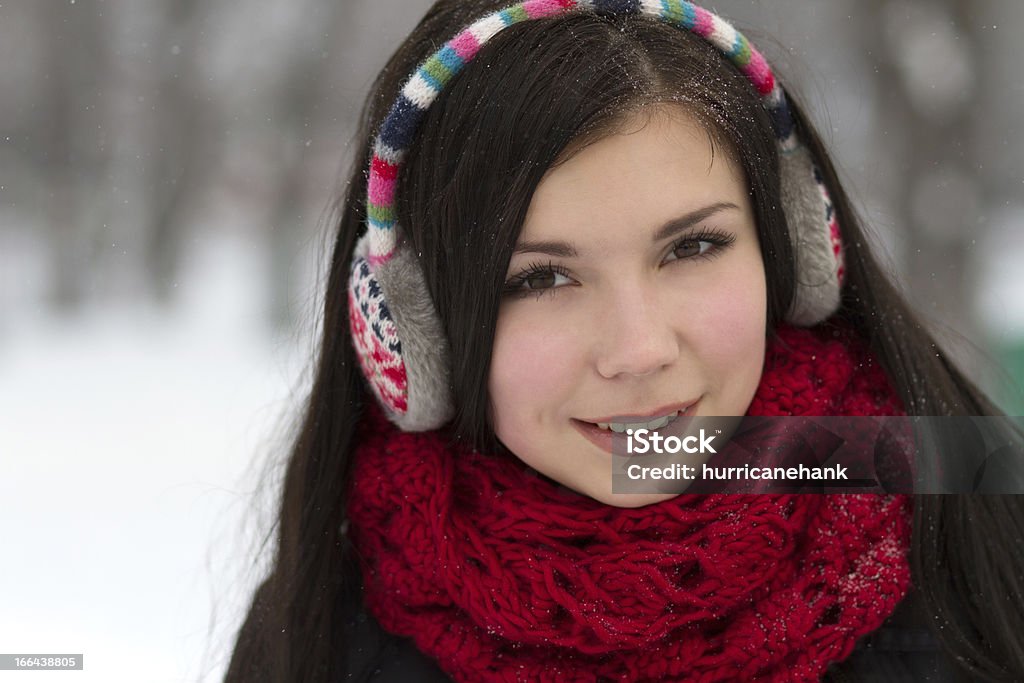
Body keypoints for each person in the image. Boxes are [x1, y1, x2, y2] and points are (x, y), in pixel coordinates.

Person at [225, 1, 1024, 680]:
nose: (639, 349)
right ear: (412, 332)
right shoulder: (320, 632)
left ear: (796, 254)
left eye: (692, 247)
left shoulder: (984, 561)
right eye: (538, 279)